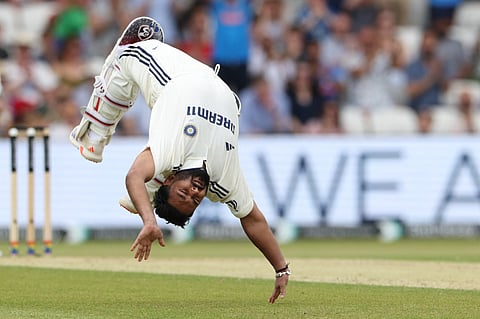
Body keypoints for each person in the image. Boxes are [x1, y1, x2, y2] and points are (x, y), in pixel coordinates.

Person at [69, 16, 290, 304]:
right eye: (196, 198)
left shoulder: (171, 153)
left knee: (126, 57)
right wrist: (281, 268)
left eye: (185, 192)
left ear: (173, 180)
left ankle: (95, 131)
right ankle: (144, 196)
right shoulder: (223, 182)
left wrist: (149, 220)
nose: (197, 191)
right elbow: (253, 220)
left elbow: (133, 175)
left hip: (173, 77)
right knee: (152, 177)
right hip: (218, 85)